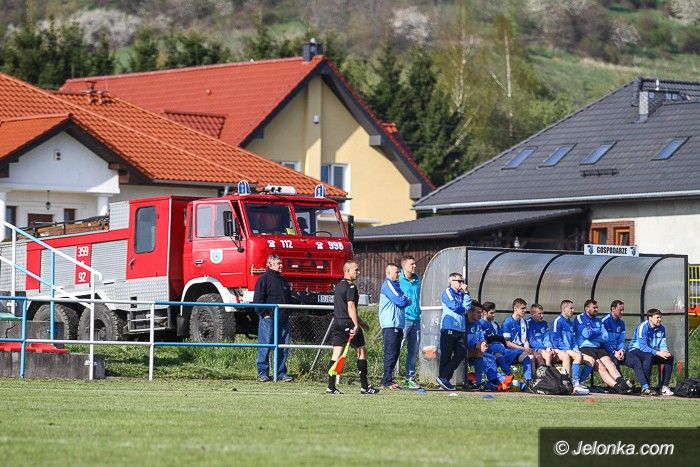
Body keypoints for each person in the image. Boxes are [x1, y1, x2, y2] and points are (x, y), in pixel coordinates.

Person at [326, 260, 378, 395]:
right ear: (347, 271)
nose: (358, 272)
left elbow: (344, 308)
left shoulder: (339, 286)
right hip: (348, 323)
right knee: (361, 351)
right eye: (356, 270)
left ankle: (330, 387)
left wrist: (361, 322)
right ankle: (364, 387)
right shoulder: (351, 287)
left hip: (337, 322)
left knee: (336, 354)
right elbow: (350, 307)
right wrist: (356, 324)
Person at [574, 299, 632, 394]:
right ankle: (619, 387)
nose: (596, 309)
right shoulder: (580, 318)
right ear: (587, 308)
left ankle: (622, 383)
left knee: (610, 364)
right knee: (602, 368)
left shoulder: (598, 320)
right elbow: (587, 334)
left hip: (598, 347)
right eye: (594, 308)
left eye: (597, 307)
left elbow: (605, 337)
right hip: (585, 348)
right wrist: (598, 332)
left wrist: (593, 332)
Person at [253, 254, 293, 382]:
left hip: (283, 319)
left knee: (283, 347)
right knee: (265, 345)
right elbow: (258, 299)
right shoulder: (263, 279)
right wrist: (264, 313)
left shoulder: (283, 281)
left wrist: (288, 312)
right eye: (278, 263)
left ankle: (281, 372)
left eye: (281, 263)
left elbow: (288, 299)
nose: (281, 265)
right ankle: (263, 373)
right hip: (268, 319)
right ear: (270, 264)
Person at [435, 272, 471, 391]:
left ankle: (443, 378)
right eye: (459, 281)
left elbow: (467, 307)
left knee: (461, 353)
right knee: (446, 355)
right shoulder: (447, 292)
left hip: (460, 329)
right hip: (449, 328)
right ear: (451, 282)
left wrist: (466, 293)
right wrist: (463, 309)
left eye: (462, 281)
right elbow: (455, 307)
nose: (462, 283)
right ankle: (444, 380)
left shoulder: (462, 294)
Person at [626, 309, 675, 396]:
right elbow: (643, 347)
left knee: (669, 358)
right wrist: (658, 353)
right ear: (650, 318)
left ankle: (664, 387)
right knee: (648, 356)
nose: (659, 319)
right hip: (635, 350)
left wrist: (665, 352)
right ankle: (646, 387)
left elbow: (662, 343)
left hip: (650, 351)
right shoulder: (643, 327)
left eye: (660, 317)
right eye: (657, 317)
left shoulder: (662, 328)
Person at [379, 263, 411, 390]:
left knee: (395, 353)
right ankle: (386, 381)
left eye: (399, 272)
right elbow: (402, 301)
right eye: (396, 272)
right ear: (389, 273)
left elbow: (408, 299)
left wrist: (405, 299)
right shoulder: (388, 285)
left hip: (398, 324)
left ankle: (387, 379)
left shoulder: (396, 286)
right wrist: (404, 299)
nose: (398, 274)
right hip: (390, 324)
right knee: (391, 353)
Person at [466, 301, 511, 391]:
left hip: (479, 350)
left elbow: (482, 338)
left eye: (481, 312)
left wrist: (483, 343)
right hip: (465, 351)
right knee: (485, 356)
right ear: (471, 312)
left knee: (490, 357)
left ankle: (501, 380)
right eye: (478, 312)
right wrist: (477, 345)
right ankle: (495, 381)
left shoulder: (477, 324)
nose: (480, 315)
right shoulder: (464, 324)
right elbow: (463, 341)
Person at [550, 300, 592, 395]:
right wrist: (568, 350)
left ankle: (578, 382)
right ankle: (573, 384)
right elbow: (555, 340)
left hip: (570, 350)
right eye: (571, 308)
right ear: (563, 309)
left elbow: (574, 341)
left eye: (573, 308)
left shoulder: (571, 323)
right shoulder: (558, 321)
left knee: (591, 360)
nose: (573, 310)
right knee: (577, 356)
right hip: (559, 350)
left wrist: (576, 350)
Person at [479, 301, 523, 385]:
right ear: (484, 312)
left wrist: (495, 339)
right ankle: (510, 376)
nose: (494, 315)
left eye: (494, 313)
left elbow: (501, 338)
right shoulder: (480, 324)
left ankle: (529, 380)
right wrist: (493, 339)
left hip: (502, 348)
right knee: (498, 354)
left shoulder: (495, 324)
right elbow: (484, 340)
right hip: (490, 350)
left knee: (525, 354)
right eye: (491, 313)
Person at [399, 255, 422, 389]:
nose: (414, 266)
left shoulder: (416, 279)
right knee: (397, 348)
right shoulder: (398, 279)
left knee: (413, 351)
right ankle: (388, 377)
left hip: (416, 319)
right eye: (412, 264)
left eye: (415, 263)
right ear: (404, 266)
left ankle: (410, 378)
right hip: (404, 319)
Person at [501, 298, 535, 387]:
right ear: (515, 309)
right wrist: (523, 349)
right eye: (522, 308)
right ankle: (528, 382)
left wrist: (527, 348)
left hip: (520, 351)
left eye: (525, 308)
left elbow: (525, 339)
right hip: (509, 351)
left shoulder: (524, 322)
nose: (525, 310)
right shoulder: (507, 322)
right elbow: (507, 343)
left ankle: (530, 382)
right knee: (527, 356)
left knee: (531, 356)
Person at [527, 303, 555, 368]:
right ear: (532, 314)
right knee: (548, 355)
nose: (542, 315)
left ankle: (547, 372)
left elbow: (547, 338)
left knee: (552, 353)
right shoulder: (528, 323)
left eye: (542, 313)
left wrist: (549, 347)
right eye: (539, 313)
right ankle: (547, 373)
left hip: (544, 348)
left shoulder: (544, 323)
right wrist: (545, 348)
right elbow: (532, 341)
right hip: (534, 348)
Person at [602, 300, 626, 369]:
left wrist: (621, 350)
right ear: (613, 309)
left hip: (617, 351)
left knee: (635, 361)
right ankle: (619, 377)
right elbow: (603, 342)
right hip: (606, 351)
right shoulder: (604, 321)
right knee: (615, 362)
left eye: (623, 310)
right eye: (620, 310)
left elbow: (621, 340)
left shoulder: (622, 323)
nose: (622, 312)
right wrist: (614, 352)